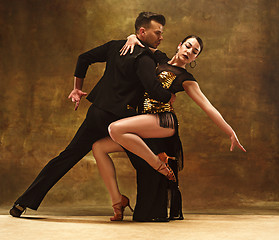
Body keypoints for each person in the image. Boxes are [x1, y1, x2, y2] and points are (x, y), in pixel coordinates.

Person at [9, 12, 175, 218]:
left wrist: (76, 88)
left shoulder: (117, 46)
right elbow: (156, 87)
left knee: (67, 157)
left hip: (98, 114)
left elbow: (84, 58)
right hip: (123, 122)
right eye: (157, 32)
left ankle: (21, 203)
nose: (161, 37)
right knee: (147, 161)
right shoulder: (145, 60)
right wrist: (170, 95)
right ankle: (150, 210)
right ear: (143, 31)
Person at [91, 34, 246, 221]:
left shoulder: (186, 78)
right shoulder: (159, 59)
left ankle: (160, 166)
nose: (189, 52)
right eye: (188, 46)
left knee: (115, 129)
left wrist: (230, 132)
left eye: (194, 52)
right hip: (143, 120)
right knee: (98, 148)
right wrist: (131, 37)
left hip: (163, 121)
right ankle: (118, 201)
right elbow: (140, 43)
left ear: (196, 58)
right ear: (180, 45)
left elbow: (207, 106)